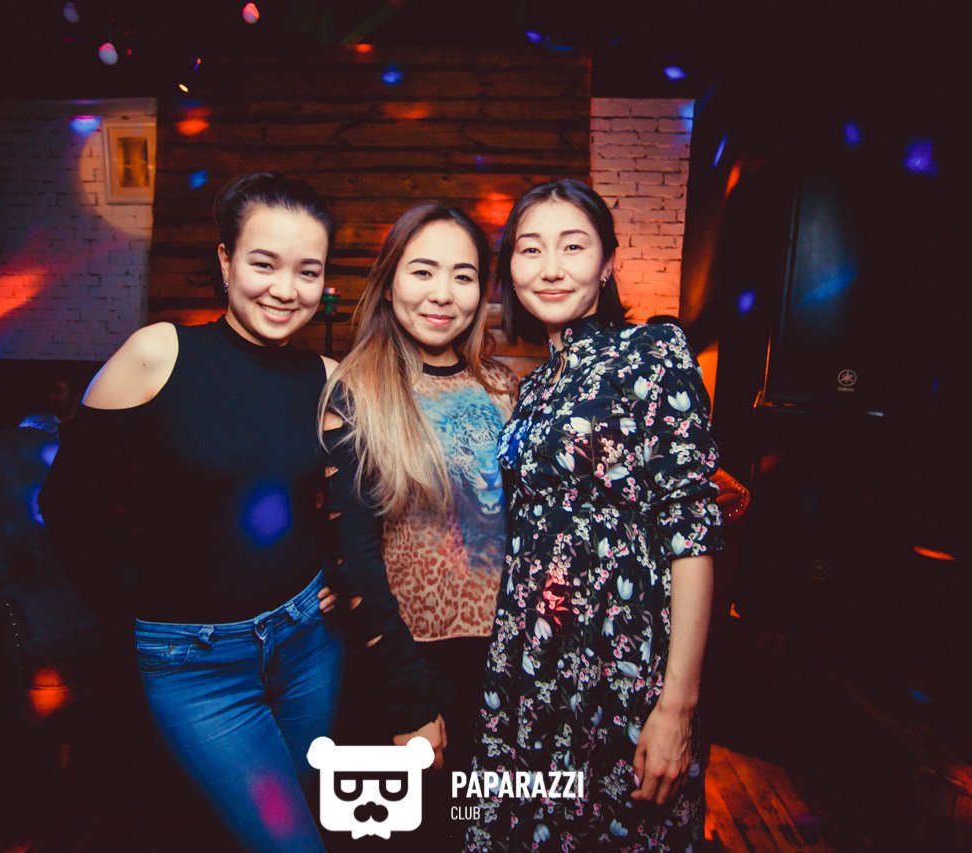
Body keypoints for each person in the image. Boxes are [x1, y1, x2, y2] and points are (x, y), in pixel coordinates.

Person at [38, 172, 440, 852]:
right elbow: (67, 505)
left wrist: (333, 578)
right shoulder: (157, 354)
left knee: (303, 807)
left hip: (309, 643)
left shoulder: (326, 378)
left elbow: (325, 505)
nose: (285, 289)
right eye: (263, 263)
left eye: (307, 271)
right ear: (225, 260)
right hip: (195, 667)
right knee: (287, 839)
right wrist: (131, 619)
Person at [465, 179, 724, 851]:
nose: (550, 267)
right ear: (510, 270)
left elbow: (692, 531)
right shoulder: (534, 386)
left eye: (573, 246)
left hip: (619, 658)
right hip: (530, 656)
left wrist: (678, 704)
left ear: (608, 263)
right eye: (530, 249)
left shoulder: (652, 352)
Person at [318, 203, 517, 831]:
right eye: (423, 270)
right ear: (389, 282)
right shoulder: (356, 391)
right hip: (404, 665)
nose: (442, 294)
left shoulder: (502, 387)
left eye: (463, 276)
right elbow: (354, 558)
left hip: (502, 665)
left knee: (482, 832)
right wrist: (409, 700)